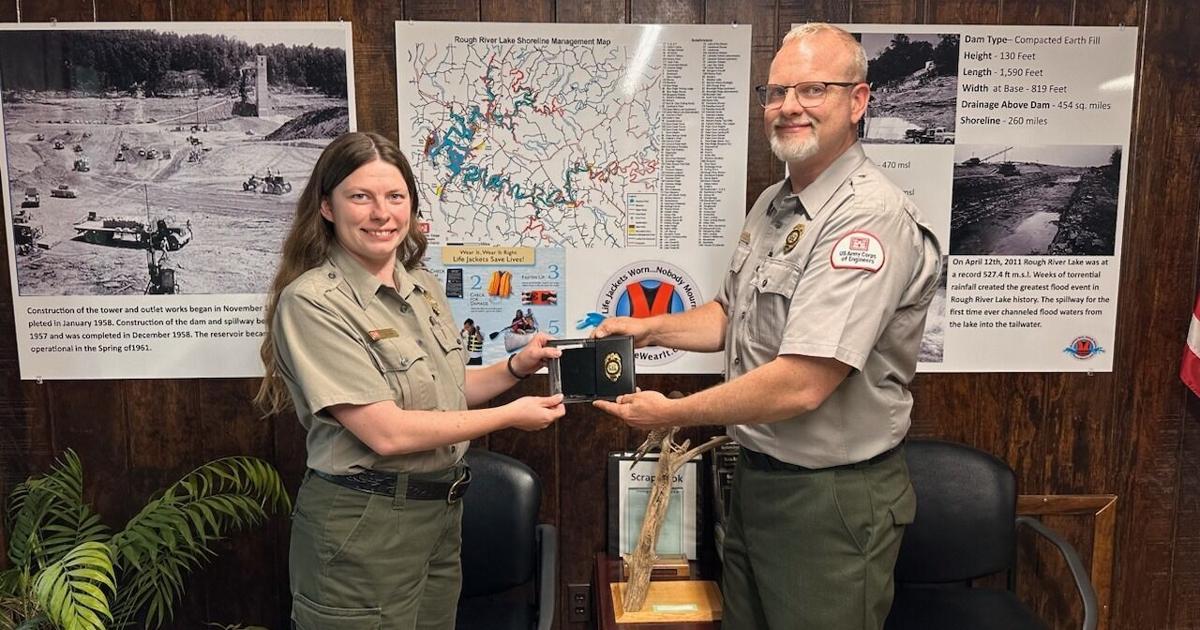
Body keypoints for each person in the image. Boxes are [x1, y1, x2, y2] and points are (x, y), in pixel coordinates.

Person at [593, 23, 942, 630]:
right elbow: (730, 315)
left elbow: (803, 382)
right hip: (758, 480)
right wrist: (645, 329)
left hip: (828, 498)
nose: (788, 108)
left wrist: (670, 413)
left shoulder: (867, 219)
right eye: (776, 93)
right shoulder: (775, 203)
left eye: (813, 90)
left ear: (857, 101)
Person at [254, 131, 565, 629]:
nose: (382, 213)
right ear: (328, 207)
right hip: (365, 526)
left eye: (395, 197)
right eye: (361, 196)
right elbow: (387, 431)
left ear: (411, 207)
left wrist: (514, 369)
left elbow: (447, 391)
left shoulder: (419, 285)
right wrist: (509, 417)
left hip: (439, 518)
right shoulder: (313, 303)